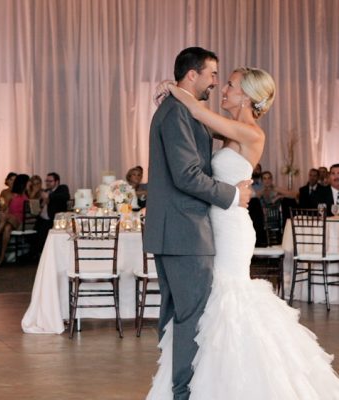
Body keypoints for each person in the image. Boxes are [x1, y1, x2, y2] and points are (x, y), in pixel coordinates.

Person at [148, 64, 339, 398]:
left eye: (231, 85)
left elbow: (195, 108)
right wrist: (176, 90)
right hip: (213, 224)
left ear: (249, 95)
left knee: (227, 298)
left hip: (231, 228)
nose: (223, 89)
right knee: (213, 303)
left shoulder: (251, 133)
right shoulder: (231, 130)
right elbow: (197, 120)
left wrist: (175, 88)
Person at [143, 47, 252, 400]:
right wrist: (233, 196)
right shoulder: (176, 112)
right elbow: (187, 176)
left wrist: (174, 90)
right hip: (184, 231)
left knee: (183, 317)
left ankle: (181, 389)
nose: (216, 82)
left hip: (182, 230)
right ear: (193, 75)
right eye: (213, 74)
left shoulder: (184, 110)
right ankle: (182, 394)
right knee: (190, 319)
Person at [0, 174, 30, 268]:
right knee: (7, 228)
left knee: (5, 217)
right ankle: (2, 257)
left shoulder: (27, 193)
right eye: (28, 181)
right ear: (23, 183)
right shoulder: (11, 194)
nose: (30, 183)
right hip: (12, 219)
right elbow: (4, 207)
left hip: (21, 221)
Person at [34, 172, 70, 254]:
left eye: (50, 181)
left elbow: (65, 196)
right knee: (36, 234)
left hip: (54, 219)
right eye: (46, 181)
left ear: (56, 182)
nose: (47, 183)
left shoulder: (62, 188)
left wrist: (49, 196)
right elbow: (41, 205)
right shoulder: (45, 191)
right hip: (42, 219)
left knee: (43, 233)